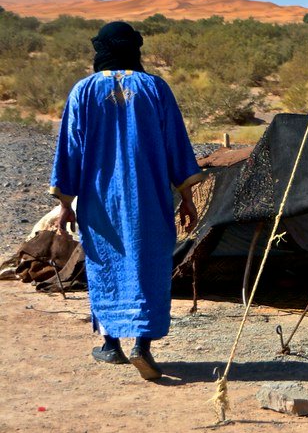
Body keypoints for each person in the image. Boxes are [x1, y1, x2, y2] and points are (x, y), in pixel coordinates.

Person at [50, 21, 203, 380]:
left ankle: (111, 345)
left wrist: (65, 204)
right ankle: (142, 346)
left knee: (105, 266)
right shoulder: (155, 88)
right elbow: (176, 145)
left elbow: (69, 150)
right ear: (135, 49)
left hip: (100, 201)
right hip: (148, 199)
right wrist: (187, 198)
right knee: (148, 265)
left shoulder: (84, 91)